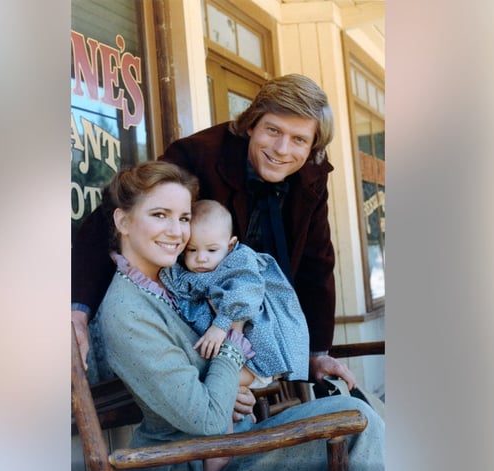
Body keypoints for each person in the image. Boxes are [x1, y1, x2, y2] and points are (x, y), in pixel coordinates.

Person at [88, 161, 383, 471]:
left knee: (356, 413)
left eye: (184, 218)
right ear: (124, 221)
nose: (177, 232)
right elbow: (208, 419)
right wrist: (234, 333)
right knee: (356, 424)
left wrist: (228, 387)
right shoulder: (128, 312)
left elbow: (197, 379)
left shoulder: (173, 280)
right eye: (160, 215)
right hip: (186, 461)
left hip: (232, 443)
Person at [73, 73, 357, 396]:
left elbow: (316, 264)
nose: (281, 149)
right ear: (251, 124)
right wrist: (79, 308)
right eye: (273, 130)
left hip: (260, 319)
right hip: (196, 323)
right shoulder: (201, 154)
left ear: (313, 145)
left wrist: (317, 354)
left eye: (299, 140)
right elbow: (118, 211)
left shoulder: (310, 175)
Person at [160, 199, 310, 471]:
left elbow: (247, 295)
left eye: (211, 249)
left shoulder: (239, 262)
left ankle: (220, 455)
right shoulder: (195, 271)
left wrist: (222, 324)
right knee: (218, 386)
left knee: (210, 383)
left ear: (230, 245)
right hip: (233, 357)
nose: (201, 258)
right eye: (191, 250)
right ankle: (230, 440)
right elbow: (172, 281)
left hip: (257, 356)